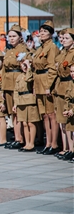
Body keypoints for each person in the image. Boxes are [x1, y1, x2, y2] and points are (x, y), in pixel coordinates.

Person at [33, 21, 60, 155]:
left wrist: (48, 86)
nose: (42, 33)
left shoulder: (52, 47)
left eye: (45, 31)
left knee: (51, 115)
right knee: (44, 115)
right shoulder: (40, 48)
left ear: (51, 33)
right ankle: (48, 142)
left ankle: (54, 143)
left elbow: (52, 69)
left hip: (46, 82)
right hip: (38, 82)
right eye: (41, 31)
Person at [1, 25, 30, 149]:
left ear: (20, 37)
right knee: (12, 112)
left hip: (18, 81)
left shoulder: (23, 49)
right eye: (10, 36)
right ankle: (17, 136)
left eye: (14, 36)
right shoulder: (8, 51)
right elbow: (3, 69)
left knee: (17, 111)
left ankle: (20, 138)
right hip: (8, 82)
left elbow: (25, 67)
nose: (11, 39)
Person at [53, 28, 74, 159]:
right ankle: (68, 148)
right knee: (63, 120)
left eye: (67, 38)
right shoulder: (63, 52)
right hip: (60, 86)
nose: (63, 40)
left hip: (69, 85)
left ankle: (71, 149)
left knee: (70, 120)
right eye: (63, 38)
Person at [13, 57, 40, 152]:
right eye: (22, 65)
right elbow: (16, 91)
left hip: (30, 100)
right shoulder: (19, 76)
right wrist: (15, 103)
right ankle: (27, 143)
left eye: (26, 65)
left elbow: (29, 79)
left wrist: (29, 67)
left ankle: (31, 143)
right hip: (21, 101)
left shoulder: (31, 74)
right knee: (24, 123)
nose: (24, 67)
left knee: (31, 123)